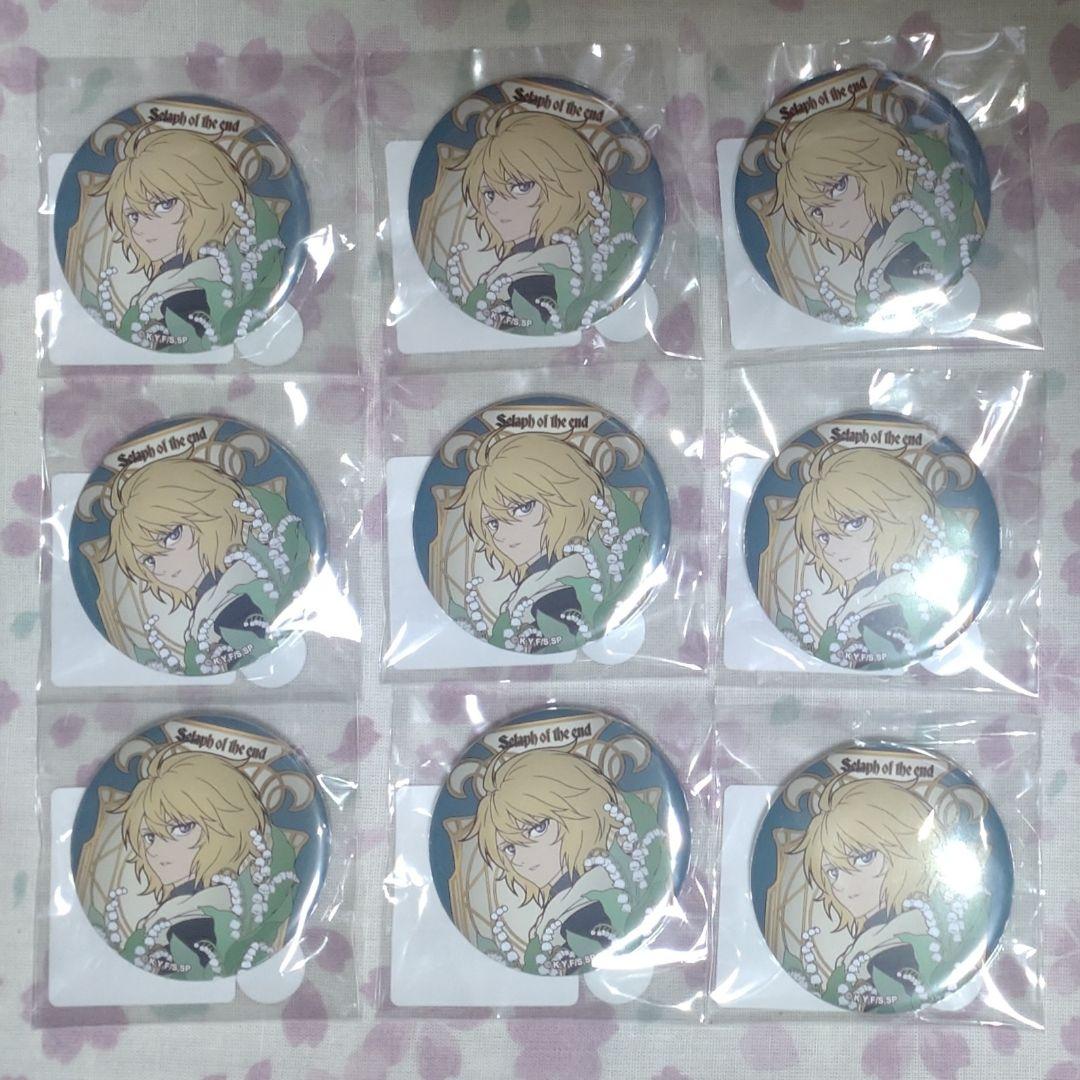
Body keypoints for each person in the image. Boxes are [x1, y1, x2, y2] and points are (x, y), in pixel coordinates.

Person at [455, 431, 647, 653]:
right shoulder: (536, 585)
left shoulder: (560, 590)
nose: (503, 534)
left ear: (567, 497)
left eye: (523, 508)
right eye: (493, 523)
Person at [794, 775, 944, 1010]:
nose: (842, 884)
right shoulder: (872, 939)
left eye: (864, 858)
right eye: (833, 872)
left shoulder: (894, 946)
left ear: (908, 848)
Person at [117, 744, 269, 974]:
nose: (155, 850)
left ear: (229, 825)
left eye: (182, 828)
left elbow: (188, 973)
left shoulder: (201, 916)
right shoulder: (180, 907)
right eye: (149, 837)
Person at [452, 105, 608, 326]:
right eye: (489, 194)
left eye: (522, 187)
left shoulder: (536, 276)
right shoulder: (516, 267)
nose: (496, 207)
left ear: (568, 184)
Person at [94, 128, 249, 347]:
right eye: (134, 216)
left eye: (164, 205)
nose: (142, 228)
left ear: (209, 199)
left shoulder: (190, 291)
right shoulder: (170, 282)